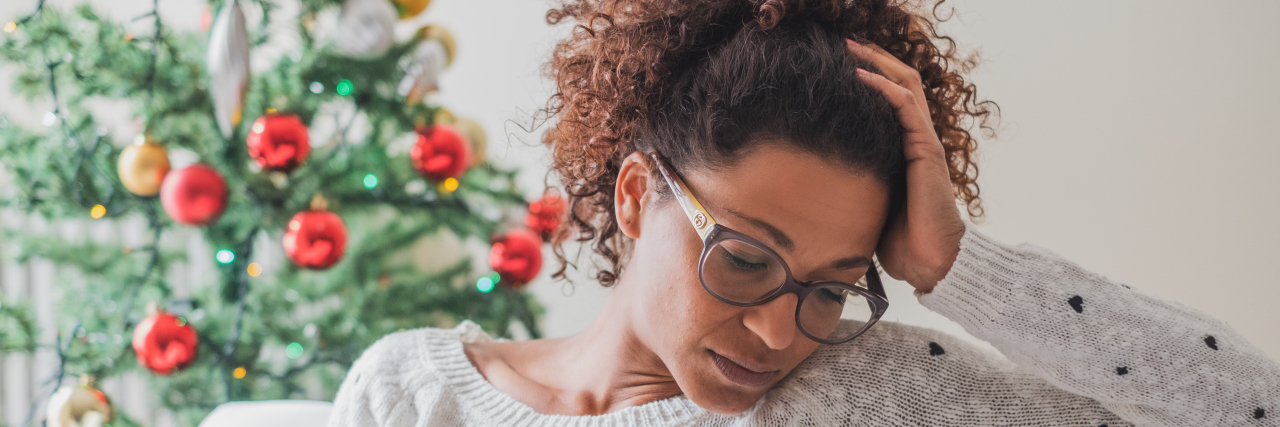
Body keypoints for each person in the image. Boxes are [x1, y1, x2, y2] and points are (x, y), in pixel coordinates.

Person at [328, 0, 1280, 425]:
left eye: (830, 290)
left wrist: (960, 268)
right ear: (632, 197)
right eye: (744, 258)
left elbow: (1249, 406)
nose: (780, 331)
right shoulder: (409, 393)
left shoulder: (853, 395)